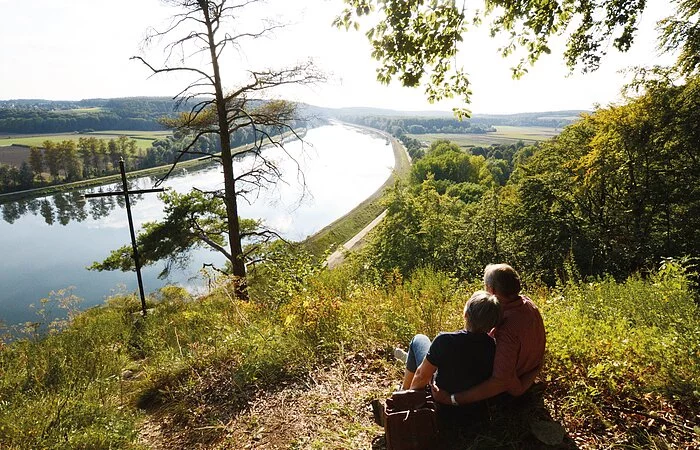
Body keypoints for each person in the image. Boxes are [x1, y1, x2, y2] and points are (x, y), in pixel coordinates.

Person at [431, 263, 546, 406]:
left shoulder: (506, 328)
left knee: (440, 354)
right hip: (526, 372)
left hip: (504, 390)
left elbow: (501, 381)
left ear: (491, 290)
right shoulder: (527, 304)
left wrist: (453, 399)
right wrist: (534, 371)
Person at [397, 291, 502, 409]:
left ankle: (404, 392)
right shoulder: (492, 345)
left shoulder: (445, 340)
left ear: (466, 314)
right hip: (470, 405)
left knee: (419, 339)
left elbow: (422, 376)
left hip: (440, 401)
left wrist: (411, 401)